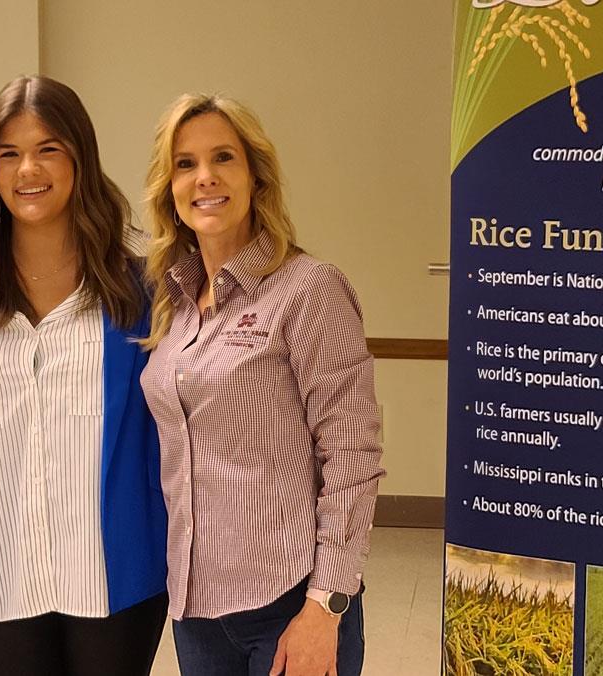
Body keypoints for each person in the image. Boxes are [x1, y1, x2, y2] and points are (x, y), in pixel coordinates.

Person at [140, 94, 386, 676]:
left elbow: (352, 455)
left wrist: (326, 606)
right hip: (197, 609)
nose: (205, 177)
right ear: (169, 188)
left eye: (223, 157)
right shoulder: (173, 303)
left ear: (255, 176)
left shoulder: (307, 289)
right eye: (185, 163)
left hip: (290, 602)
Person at [0, 75, 168, 676]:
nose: (27, 169)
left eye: (47, 149)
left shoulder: (139, 283)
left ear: (80, 158)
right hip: (0, 569)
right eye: (7, 153)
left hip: (113, 569)